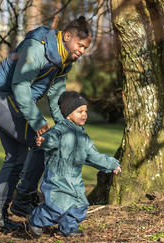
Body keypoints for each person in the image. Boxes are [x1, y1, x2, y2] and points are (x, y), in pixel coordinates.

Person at [0, 16, 93, 232]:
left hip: (13, 102)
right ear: (67, 36)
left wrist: (66, 127)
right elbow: (20, 87)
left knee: (17, 157)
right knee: (44, 142)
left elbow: (55, 95)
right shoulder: (36, 48)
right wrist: (39, 121)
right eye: (80, 45)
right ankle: (23, 200)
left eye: (86, 47)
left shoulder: (63, 60)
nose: (82, 51)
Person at [27, 90, 121, 237]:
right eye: (79, 111)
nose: (84, 114)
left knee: (80, 206)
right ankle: (35, 220)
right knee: (57, 207)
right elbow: (50, 138)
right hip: (57, 179)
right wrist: (43, 140)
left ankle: (67, 229)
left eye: (85, 111)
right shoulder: (60, 131)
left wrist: (111, 164)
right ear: (68, 114)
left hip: (75, 181)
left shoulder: (84, 137)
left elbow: (93, 156)